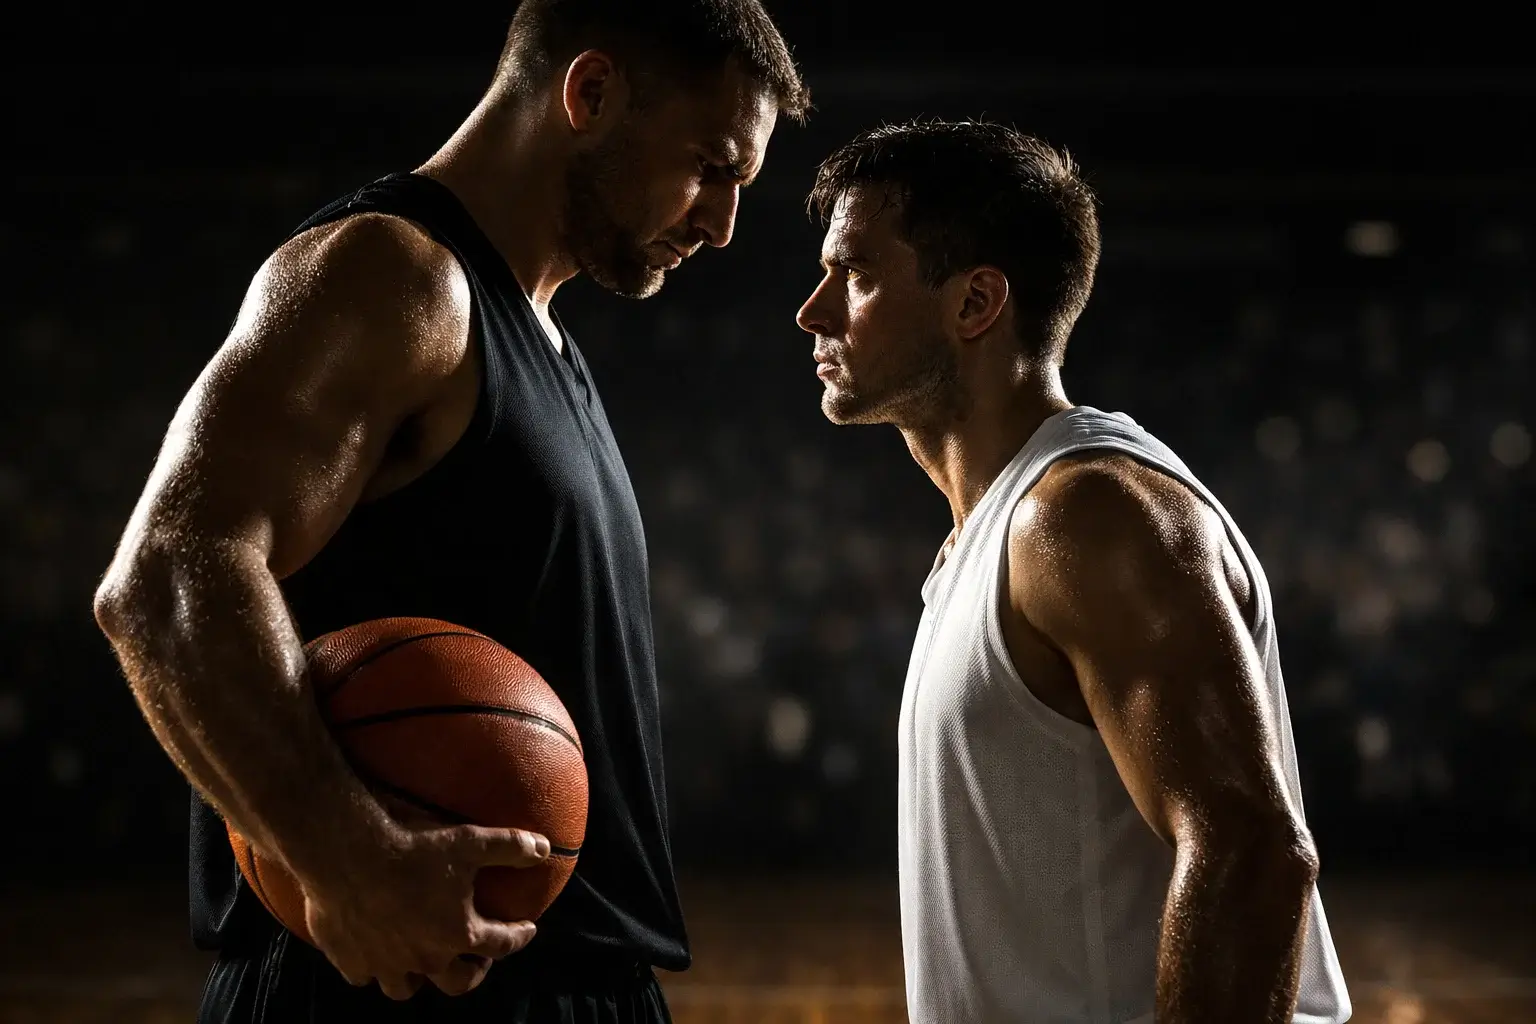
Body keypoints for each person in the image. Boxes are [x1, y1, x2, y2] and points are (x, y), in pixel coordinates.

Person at [92, 3, 807, 1021]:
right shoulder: (393, 274)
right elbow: (167, 579)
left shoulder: (543, 337)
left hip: (568, 976)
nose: (721, 223)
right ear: (590, 93)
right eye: (712, 166)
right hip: (395, 977)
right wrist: (345, 855)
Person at [795, 119, 1352, 1023]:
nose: (813, 311)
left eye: (856, 276)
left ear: (975, 303)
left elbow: (1251, 851)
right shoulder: (992, 534)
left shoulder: (1087, 515)